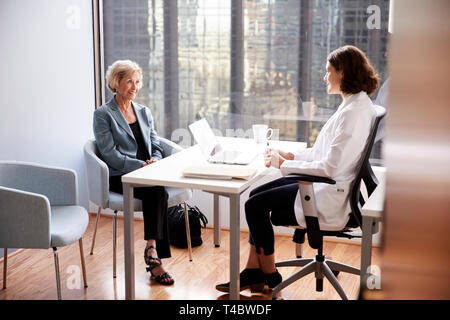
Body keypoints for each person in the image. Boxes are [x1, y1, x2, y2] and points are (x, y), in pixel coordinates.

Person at [216, 45, 379, 294]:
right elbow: (326, 152)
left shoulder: (353, 113)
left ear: (342, 73)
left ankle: (269, 273)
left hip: (327, 191)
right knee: (254, 197)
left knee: (253, 206)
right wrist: (291, 156)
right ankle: (253, 269)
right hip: (326, 183)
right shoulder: (354, 105)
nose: (325, 77)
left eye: (328, 71)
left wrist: (284, 164)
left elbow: (330, 167)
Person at [93, 60, 174, 285]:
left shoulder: (144, 111)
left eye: (137, 81)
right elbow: (109, 154)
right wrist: (139, 165)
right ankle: (154, 258)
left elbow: (155, 142)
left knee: (157, 190)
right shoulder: (103, 114)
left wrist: (155, 159)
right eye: (129, 81)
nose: (134, 86)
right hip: (120, 175)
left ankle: (151, 250)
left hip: (146, 171)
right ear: (115, 83)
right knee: (158, 192)